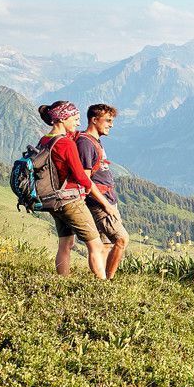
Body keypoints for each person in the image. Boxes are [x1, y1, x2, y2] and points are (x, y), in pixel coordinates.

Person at [36, 100, 116, 279]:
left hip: (53, 198)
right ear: (63, 118)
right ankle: (103, 286)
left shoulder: (46, 139)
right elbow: (81, 176)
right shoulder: (66, 144)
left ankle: (62, 280)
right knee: (95, 245)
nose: (78, 123)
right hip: (70, 200)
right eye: (75, 118)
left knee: (65, 243)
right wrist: (100, 198)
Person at [77, 104, 129, 279]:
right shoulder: (85, 143)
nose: (111, 125)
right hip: (100, 201)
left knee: (106, 243)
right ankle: (109, 280)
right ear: (94, 119)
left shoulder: (95, 141)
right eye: (107, 120)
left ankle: (101, 280)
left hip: (107, 198)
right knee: (122, 239)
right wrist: (105, 204)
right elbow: (85, 180)